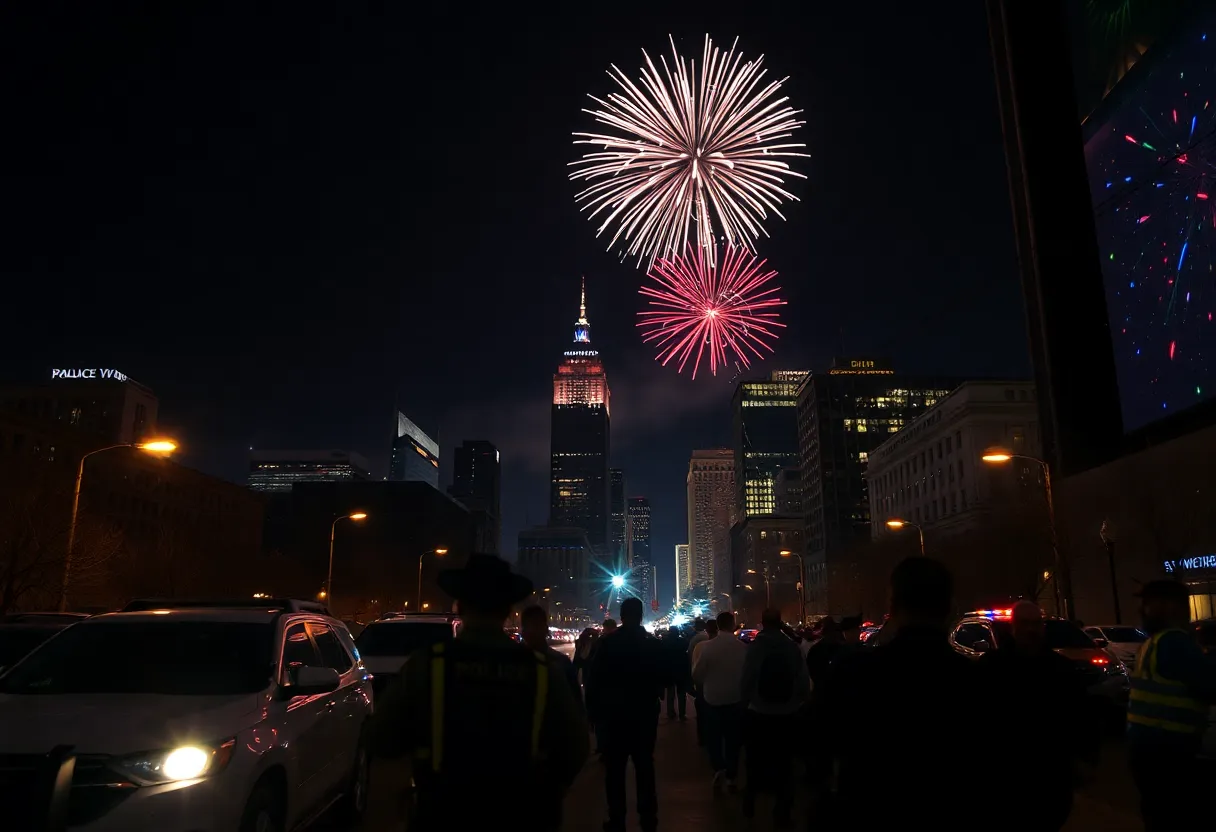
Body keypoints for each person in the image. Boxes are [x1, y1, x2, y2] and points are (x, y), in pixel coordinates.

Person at [372, 554, 588, 831]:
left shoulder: (429, 665)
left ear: (459, 607)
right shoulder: (542, 671)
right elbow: (576, 746)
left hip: (443, 814)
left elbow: (382, 739)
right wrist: (548, 792)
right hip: (524, 814)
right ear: (509, 612)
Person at [820, 557, 986, 831]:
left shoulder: (854, 673)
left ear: (892, 605)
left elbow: (820, 750)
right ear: (949, 608)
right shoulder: (978, 683)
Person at [979, 600, 1097, 831]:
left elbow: (1081, 715)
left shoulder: (1061, 668)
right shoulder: (992, 667)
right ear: (1014, 627)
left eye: (1037, 623)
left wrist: (1086, 758)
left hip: (1051, 777)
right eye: (1026, 624)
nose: (1032, 629)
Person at [1127, 579, 1216, 832]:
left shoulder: (1153, 644)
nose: (1142, 609)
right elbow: (1209, 683)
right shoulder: (1173, 642)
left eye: (1147, 603)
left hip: (1149, 754)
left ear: (1169, 607)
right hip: (1168, 757)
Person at [586, 597, 666, 832]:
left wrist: (593, 713)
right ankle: (649, 818)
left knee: (615, 769)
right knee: (644, 766)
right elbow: (662, 679)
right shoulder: (651, 644)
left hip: (615, 717)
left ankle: (617, 818)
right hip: (644, 716)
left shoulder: (608, 644)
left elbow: (594, 681)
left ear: (622, 616)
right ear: (641, 616)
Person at [740, 608, 811, 826]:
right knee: (785, 763)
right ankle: (782, 811)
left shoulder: (755, 647)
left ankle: (749, 801)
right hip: (787, 714)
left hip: (759, 713)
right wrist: (796, 701)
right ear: (780, 623)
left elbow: (746, 680)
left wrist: (747, 703)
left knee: (755, 760)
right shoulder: (791, 647)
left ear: (762, 623)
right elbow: (803, 681)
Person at [693, 611, 748, 793]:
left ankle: (718, 768)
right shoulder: (742, 647)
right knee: (733, 739)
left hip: (713, 699)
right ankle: (732, 775)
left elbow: (697, 674)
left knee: (714, 738)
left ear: (717, 625)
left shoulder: (708, 647)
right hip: (735, 698)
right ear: (732, 624)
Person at [521, 604, 582, 703]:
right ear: (546, 630)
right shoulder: (561, 662)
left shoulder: (513, 661)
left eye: (536, 626)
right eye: (531, 627)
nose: (534, 632)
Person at [688, 618, 717, 746]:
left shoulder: (698, 643)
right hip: (717, 687)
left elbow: (694, 666)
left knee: (702, 712)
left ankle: (703, 739)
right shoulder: (738, 645)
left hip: (703, 685)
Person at [662, 625, 690, 720]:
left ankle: (670, 712)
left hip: (669, 670)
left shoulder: (664, 642)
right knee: (681, 693)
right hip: (681, 670)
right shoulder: (683, 641)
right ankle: (682, 714)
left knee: (670, 693)